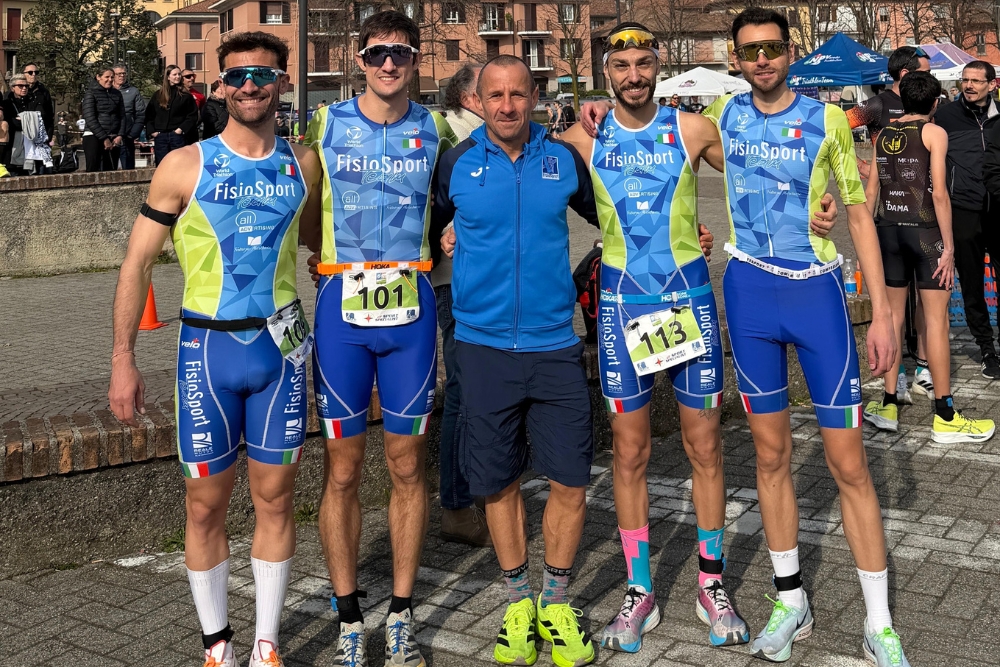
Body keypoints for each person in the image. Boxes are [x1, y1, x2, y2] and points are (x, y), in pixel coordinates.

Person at [572, 23, 840, 654]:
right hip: (621, 308)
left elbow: (765, 166)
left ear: (658, 67)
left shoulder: (694, 129)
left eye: (644, 63)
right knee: (629, 453)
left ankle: (710, 583)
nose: (634, 75)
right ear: (605, 73)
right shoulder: (582, 137)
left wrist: (822, 200)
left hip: (687, 302)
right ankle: (639, 589)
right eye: (622, 66)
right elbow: (516, 176)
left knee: (706, 448)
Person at [699, 9, 908, 666]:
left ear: (790, 51)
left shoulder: (828, 119)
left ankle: (879, 624)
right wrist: (592, 118)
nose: (761, 59)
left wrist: (883, 314)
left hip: (816, 295)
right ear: (736, 59)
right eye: (749, 50)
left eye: (771, 47)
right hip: (749, 294)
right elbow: (657, 144)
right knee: (770, 457)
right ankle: (792, 601)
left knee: (849, 464)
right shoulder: (721, 114)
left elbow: (857, 214)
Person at [109, 31, 322, 667]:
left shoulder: (304, 162)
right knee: (204, 506)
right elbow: (136, 264)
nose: (250, 86)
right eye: (237, 77)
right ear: (220, 86)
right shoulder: (183, 164)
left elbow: (319, 242)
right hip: (207, 351)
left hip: (282, 351)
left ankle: (266, 646)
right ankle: (216, 646)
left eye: (264, 75)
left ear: (283, 82)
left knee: (276, 499)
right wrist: (122, 359)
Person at [300, 11, 458, 667]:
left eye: (400, 53)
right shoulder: (326, 122)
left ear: (416, 60)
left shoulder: (436, 127)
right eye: (376, 53)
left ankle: (400, 613)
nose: (388, 63)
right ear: (358, 58)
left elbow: (464, 191)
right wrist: (316, 252)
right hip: (342, 310)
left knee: (406, 465)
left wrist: (452, 234)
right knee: (341, 469)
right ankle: (347, 618)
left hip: (410, 314)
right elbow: (299, 200)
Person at [432, 54, 600, 667]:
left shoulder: (563, 160)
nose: (507, 106)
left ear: (535, 97)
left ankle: (555, 601)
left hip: (555, 344)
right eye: (495, 95)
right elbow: (422, 229)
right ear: (477, 100)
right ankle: (517, 603)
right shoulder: (455, 162)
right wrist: (442, 236)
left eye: (518, 94)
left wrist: (687, 236)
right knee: (498, 481)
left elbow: (612, 219)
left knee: (571, 480)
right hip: (482, 346)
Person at [863, 71, 996, 443]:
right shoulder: (934, 132)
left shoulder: (883, 134)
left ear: (902, 98)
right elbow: (938, 193)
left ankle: (889, 403)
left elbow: (871, 190)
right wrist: (949, 247)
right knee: (936, 322)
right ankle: (945, 414)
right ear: (936, 102)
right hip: (925, 234)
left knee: (891, 319)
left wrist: (867, 243)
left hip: (887, 232)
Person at [846, 46, 935, 400]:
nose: (930, 77)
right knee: (895, 303)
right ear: (905, 73)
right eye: (925, 71)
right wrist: (861, 166)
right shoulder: (878, 104)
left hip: (924, 214)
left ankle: (924, 367)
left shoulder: (927, 103)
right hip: (890, 213)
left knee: (926, 300)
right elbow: (837, 126)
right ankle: (894, 377)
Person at [434, 62, 490, 546]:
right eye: (493, 90)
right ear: (472, 98)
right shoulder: (453, 137)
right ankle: (456, 502)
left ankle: (479, 491)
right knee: (465, 388)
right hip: (455, 281)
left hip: (479, 279)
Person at [937, 61, 1000, 379]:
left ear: (992, 84)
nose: (969, 85)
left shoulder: (999, 116)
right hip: (963, 208)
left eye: (976, 80)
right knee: (973, 286)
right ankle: (987, 350)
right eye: (965, 80)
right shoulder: (945, 116)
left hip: (998, 209)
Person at [145, 65, 199, 165]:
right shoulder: (158, 95)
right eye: (174, 74)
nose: (177, 77)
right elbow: (149, 115)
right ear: (168, 76)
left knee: (179, 165)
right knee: (162, 165)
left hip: (178, 136)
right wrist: (152, 131)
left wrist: (181, 129)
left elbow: (192, 115)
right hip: (161, 136)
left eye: (179, 74)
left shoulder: (186, 95)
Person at [1, 73, 52, 175]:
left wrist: (23, 119)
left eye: (26, 86)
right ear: (12, 88)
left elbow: (41, 117)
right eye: (20, 86)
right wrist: (29, 120)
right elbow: (13, 123)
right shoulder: (6, 103)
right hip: (12, 148)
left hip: (33, 147)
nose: (24, 88)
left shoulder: (34, 100)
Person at [81, 66, 125, 172]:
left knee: (111, 171)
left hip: (113, 138)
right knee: (93, 171)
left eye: (112, 77)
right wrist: (104, 138)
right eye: (107, 77)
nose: (110, 80)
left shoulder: (117, 94)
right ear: (98, 77)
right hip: (93, 136)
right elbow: (90, 118)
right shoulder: (91, 93)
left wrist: (120, 135)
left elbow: (122, 116)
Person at [114, 64, 147, 169]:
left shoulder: (133, 91)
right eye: (119, 74)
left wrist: (133, 134)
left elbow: (141, 114)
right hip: (110, 136)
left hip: (127, 137)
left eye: (124, 73)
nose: (122, 76)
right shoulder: (106, 91)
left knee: (128, 169)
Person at [20, 63, 54, 144]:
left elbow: (49, 115)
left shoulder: (43, 92)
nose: (34, 74)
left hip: (41, 136)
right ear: (23, 74)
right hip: (21, 135)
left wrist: (49, 136)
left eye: (36, 72)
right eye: (30, 72)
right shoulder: (16, 92)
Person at [183, 68, 207, 144]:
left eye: (193, 76)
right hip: (177, 131)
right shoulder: (175, 93)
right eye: (188, 76)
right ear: (181, 79)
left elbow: (203, 113)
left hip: (192, 131)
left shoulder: (200, 96)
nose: (192, 78)